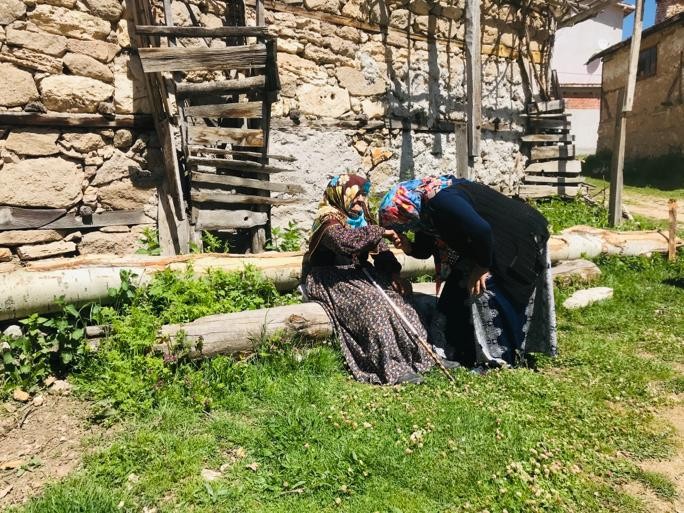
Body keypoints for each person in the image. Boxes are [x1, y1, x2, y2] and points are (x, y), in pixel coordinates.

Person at [379, 175, 557, 368]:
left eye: (400, 225)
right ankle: (462, 350)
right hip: (487, 245)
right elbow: (426, 248)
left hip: (516, 236)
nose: (404, 229)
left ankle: (501, 359)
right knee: (456, 293)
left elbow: (481, 229)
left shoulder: (443, 201)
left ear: (404, 210)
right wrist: (408, 247)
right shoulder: (424, 214)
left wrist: (481, 267)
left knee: (490, 289)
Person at [302, 174, 434, 385]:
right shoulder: (327, 220)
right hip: (331, 277)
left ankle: (423, 358)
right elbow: (345, 243)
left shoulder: (360, 219)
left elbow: (379, 249)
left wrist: (393, 274)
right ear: (342, 194)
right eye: (357, 195)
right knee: (373, 306)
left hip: (359, 275)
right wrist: (381, 231)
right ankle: (392, 367)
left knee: (401, 303)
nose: (362, 201)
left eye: (364, 195)